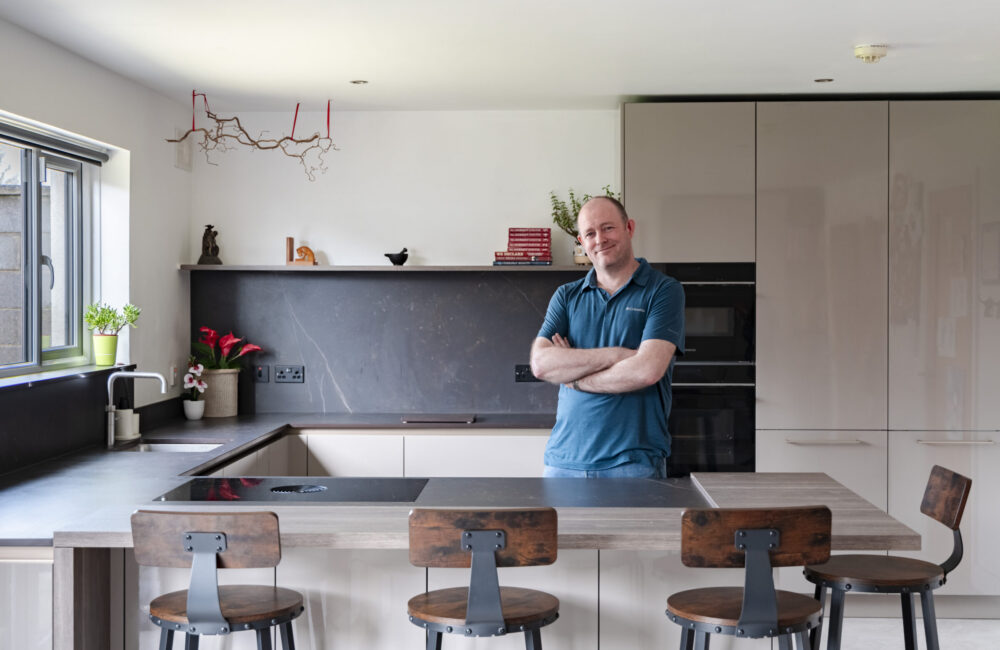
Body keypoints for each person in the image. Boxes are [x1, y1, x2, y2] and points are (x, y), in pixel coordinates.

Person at [530, 196, 685, 478]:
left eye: (608, 228)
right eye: (590, 233)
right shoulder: (566, 296)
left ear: (629, 228)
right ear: (582, 241)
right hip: (563, 463)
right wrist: (618, 355)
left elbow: (647, 370)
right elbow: (541, 365)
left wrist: (574, 378)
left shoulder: (663, 290)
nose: (600, 239)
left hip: (633, 464)